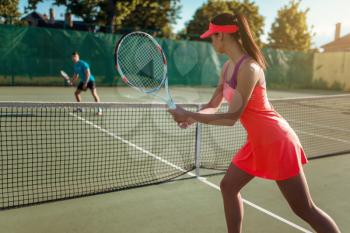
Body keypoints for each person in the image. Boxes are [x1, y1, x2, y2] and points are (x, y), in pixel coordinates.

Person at [168, 13, 340, 233]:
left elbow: (231, 118)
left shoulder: (249, 69)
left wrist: (189, 115)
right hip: (258, 142)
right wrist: (190, 117)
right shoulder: (227, 68)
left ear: (222, 35)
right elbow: (214, 103)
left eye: (213, 36)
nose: (211, 41)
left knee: (304, 209)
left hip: (277, 141)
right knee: (228, 187)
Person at [71, 51, 102, 116]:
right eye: (73, 57)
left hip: (90, 80)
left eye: (75, 57)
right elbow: (76, 75)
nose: (74, 58)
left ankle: (99, 110)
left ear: (78, 57)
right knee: (76, 93)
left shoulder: (83, 64)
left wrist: (86, 83)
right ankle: (80, 108)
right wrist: (72, 81)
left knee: (94, 94)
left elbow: (88, 73)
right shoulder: (75, 65)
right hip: (83, 81)